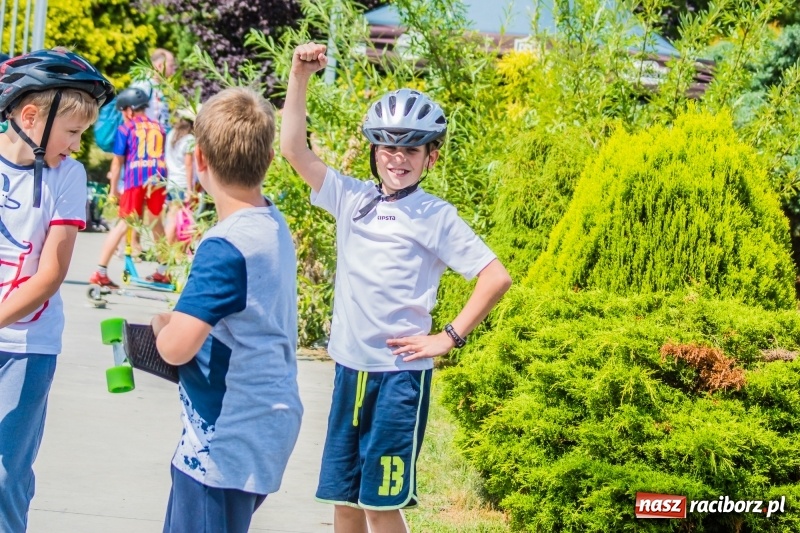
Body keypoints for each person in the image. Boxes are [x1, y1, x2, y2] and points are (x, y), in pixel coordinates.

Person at [281, 42, 513, 533]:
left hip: (398, 377)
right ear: (373, 150)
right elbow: (293, 150)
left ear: (431, 156)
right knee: (343, 501)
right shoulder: (351, 197)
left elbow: (496, 277)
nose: (397, 158)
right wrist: (298, 77)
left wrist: (447, 338)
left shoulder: (435, 215)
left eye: (410, 148)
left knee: (381, 505)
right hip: (350, 370)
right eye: (387, 145)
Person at [151, 86, 303, 533]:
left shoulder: (225, 247)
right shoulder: (272, 222)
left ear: (198, 161)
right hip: (265, 422)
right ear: (270, 160)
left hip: (223, 441)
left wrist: (163, 324)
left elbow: (177, 348)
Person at [0, 48, 114, 531]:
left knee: (5, 474)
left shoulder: (67, 175)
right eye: (71, 132)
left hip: (26, 344)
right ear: (30, 117)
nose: (77, 144)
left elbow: (50, 275)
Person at [89, 86, 169, 288]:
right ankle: (163, 270)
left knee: (124, 223)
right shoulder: (159, 127)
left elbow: (117, 163)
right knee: (156, 223)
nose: (123, 116)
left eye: (123, 111)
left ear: (130, 110)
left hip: (135, 179)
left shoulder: (126, 128)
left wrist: (113, 189)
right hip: (158, 179)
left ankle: (101, 271)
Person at [163, 106, 197, 248]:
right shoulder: (189, 139)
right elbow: (188, 165)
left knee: (172, 215)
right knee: (176, 218)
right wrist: (190, 189)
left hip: (171, 181)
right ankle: (166, 249)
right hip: (183, 183)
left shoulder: (171, 135)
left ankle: (170, 248)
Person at [132, 48, 175, 132]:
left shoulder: (155, 85)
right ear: (159, 65)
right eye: (171, 66)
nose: (173, 71)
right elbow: (133, 116)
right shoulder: (144, 85)